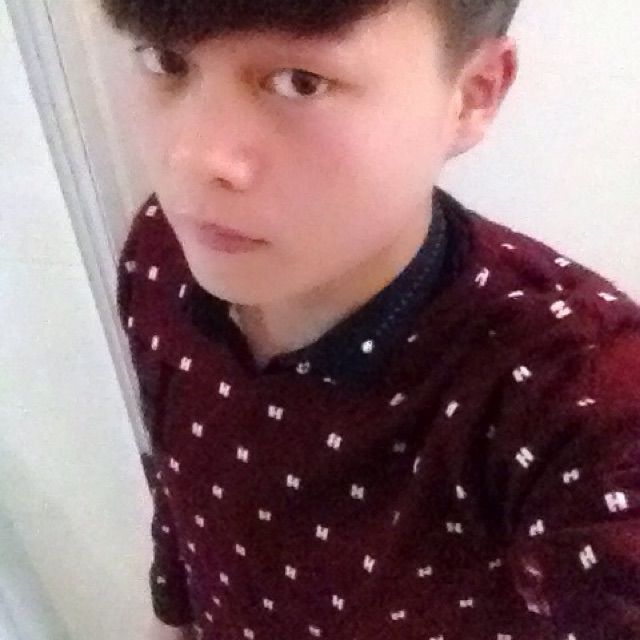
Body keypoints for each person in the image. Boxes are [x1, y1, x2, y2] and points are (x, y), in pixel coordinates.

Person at [102, 0, 640, 638]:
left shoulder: (580, 394)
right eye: (166, 62)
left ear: (473, 94)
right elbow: (182, 514)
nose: (192, 158)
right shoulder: (165, 253)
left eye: (300, 82)